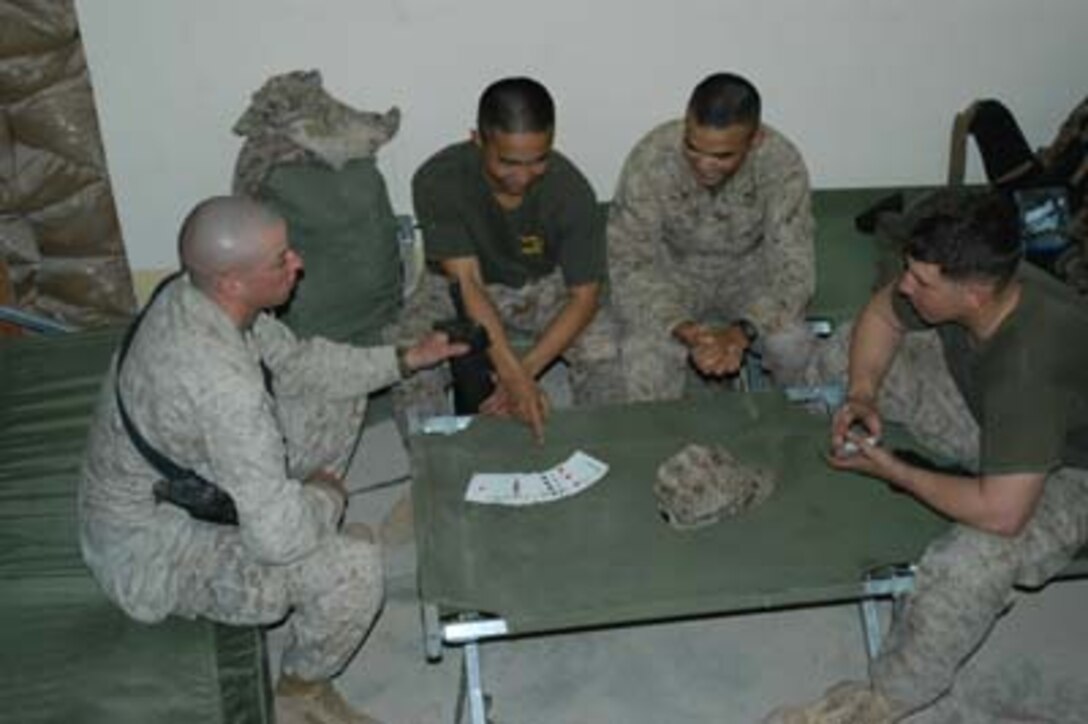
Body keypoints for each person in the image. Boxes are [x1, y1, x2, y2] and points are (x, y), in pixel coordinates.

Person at [79, 196, 464, 724]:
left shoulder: (195, 294)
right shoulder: (223, 388)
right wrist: (325, 500)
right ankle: (301, 691)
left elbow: (300, 365)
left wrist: (405, 358)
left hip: (192, 480)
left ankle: (292, 508)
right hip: (151, 552)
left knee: (340, 391)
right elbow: (275, 541)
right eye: (280, 260)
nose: (297, 263)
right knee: (354, 570)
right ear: (233, 281)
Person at [765, 189, 1088, 723]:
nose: (905, 285)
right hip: (992, 417)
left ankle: (884, 700)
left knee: (972, 562)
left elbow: (1003, 514)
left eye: (922, 281)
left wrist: (897, 470)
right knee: (851, 348)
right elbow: (881, 316)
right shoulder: (976, 284)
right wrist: (862, 394)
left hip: (1072, 467)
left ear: (975, 295)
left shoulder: (1029, 364)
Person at [389, 76, 623, 441]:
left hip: (541, 284)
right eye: (509, 162)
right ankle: (433, 470)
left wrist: (522, 373)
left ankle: (600, 450)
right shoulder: (439, 178)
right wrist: (513, 378)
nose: (524, 176)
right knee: (410, 360)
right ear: (478, 140)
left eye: (538, 160)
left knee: (606, 347)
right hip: (458, 286)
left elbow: (585, 297)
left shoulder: (570, 189)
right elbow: (468, 284)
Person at [607, 72, 816, 401]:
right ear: (686, 123)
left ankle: (798, 429)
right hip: (671, 275)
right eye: (693, 147)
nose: (704, 164)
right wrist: (681, 327)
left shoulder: (781, 164)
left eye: (723, 156)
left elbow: (794, 272)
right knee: (644, 353)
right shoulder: (651, 157)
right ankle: (658, 439)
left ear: (755, 140)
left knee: (793, 343)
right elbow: (629, 264)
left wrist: (741, 332)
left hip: (751, 275)